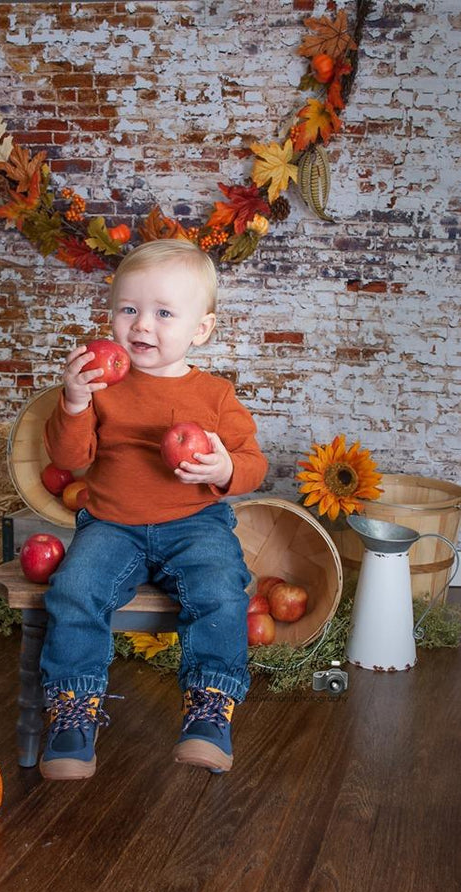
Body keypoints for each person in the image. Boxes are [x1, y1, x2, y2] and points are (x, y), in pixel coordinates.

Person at [40, 239, 268, 780]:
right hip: (111, 524)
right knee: (74, 589)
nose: (142, 324)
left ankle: (209, 708)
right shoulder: (100, 386)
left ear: (200, 329)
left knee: (220, 590)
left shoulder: (214, 395)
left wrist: (223, 469)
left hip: (195, 524)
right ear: (111, 315)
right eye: (129, 309)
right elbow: (70, 459)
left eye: (164, 313)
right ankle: (73, 711)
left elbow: (253, 464)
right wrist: (74, 401)